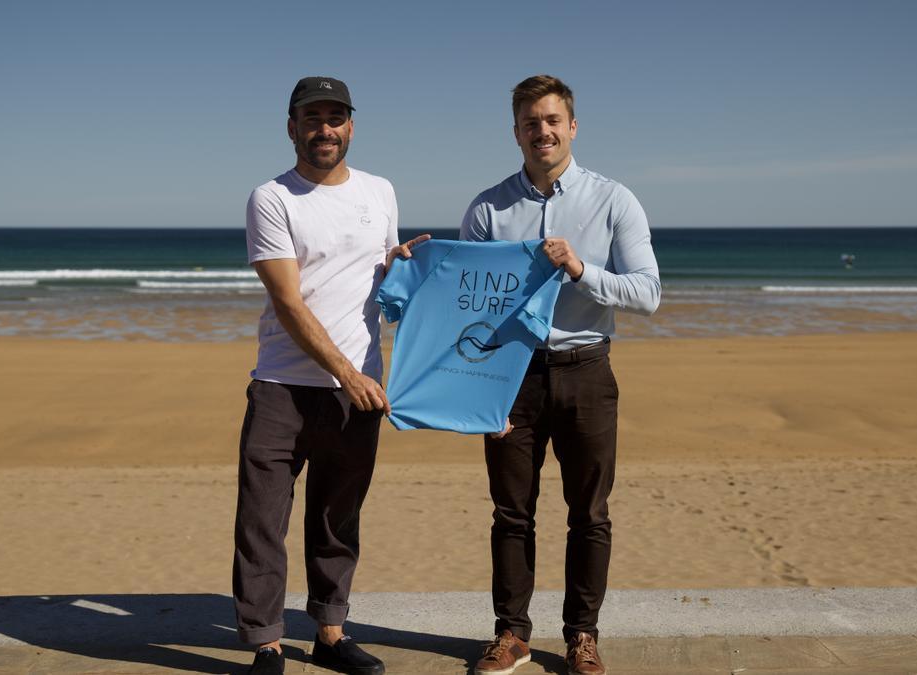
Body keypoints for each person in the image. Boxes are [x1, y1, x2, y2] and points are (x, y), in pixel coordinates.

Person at [460, 74, 661, 675]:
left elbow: (648, 293)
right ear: (515, 130)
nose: (541, 131)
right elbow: (466, 307)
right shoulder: (488, 209)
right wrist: (478, 397)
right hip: (511, 377)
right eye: (530, 122)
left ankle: (582, 636)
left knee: (590, 513)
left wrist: (579, 268)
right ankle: (512, 634)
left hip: (587, 371)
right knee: (511, 512)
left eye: (552, 120)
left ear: (572, 126)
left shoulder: (613, 200)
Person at [235, 76, 425, 675]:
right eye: (312, 117)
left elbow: (382, 282)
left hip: (359, 391)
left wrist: (411, 270)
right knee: (262, 519)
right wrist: (345, 371)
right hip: (281, 387)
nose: (325, 129)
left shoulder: (381, 191)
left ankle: (330, 633)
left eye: (335, 117)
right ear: (291, 126)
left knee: (337, 517)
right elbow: (289, 301)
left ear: (351, 125)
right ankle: (266, 643)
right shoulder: (272, 198)